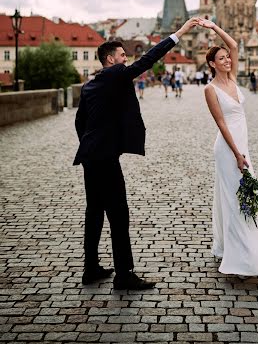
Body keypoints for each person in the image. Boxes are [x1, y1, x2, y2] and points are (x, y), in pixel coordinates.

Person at [74, 17, 200, 290]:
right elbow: (148, 59)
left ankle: (91, 268)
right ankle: (124, 275)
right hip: (104, 158)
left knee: (94, 211)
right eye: (122, 55)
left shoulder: (91, 85)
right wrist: (179, 32)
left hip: (89, 156)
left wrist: (91, 144)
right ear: (110, 60)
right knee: (119, 213)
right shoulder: (116, 74)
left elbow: (79, 123)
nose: (126, 58)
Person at [201, 18, 258, 277]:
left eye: (228, 58)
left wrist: (214, 27)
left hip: (243, 148)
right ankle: (240, 259)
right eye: (221, 58)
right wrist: (237, 154)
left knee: (241, 198)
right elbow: (221, 123)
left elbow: (233, 45)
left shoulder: (234, 79)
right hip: (228, 149)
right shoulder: (211, 89)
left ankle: (236, 250)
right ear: (211, 64)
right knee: (235, 201)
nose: (227, 60)